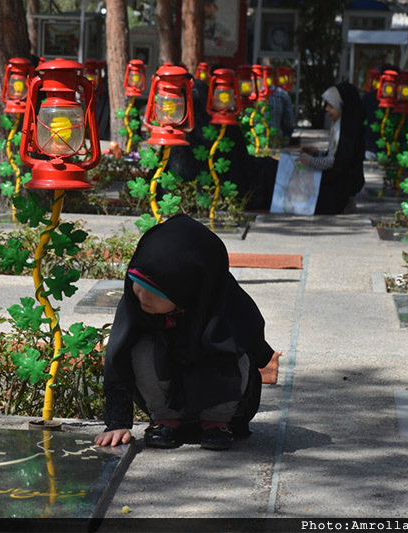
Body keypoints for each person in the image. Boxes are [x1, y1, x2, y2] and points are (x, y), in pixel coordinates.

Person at [94, 215, 275, 451]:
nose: (140, 296)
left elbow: (255, 344)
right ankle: (164, 420)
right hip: (164, 395)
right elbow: (117, 357)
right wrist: (117, 422)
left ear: (190, 290)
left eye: (153, 291)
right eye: (136, 282)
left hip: (222, 400)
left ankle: (217, 423)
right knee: (140, 348)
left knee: (235, 351)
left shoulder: (221, 298)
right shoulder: (137, 302)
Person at [296, 82, 365, 214]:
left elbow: (335, 162)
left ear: (343, 106)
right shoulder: (339, 126)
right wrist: (316, 153)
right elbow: (335, 157)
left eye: (331, 105)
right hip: (339, 178)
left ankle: (346, 202)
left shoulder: (348, 132)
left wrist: (310, 161)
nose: (327, 109)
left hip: (342, 183)